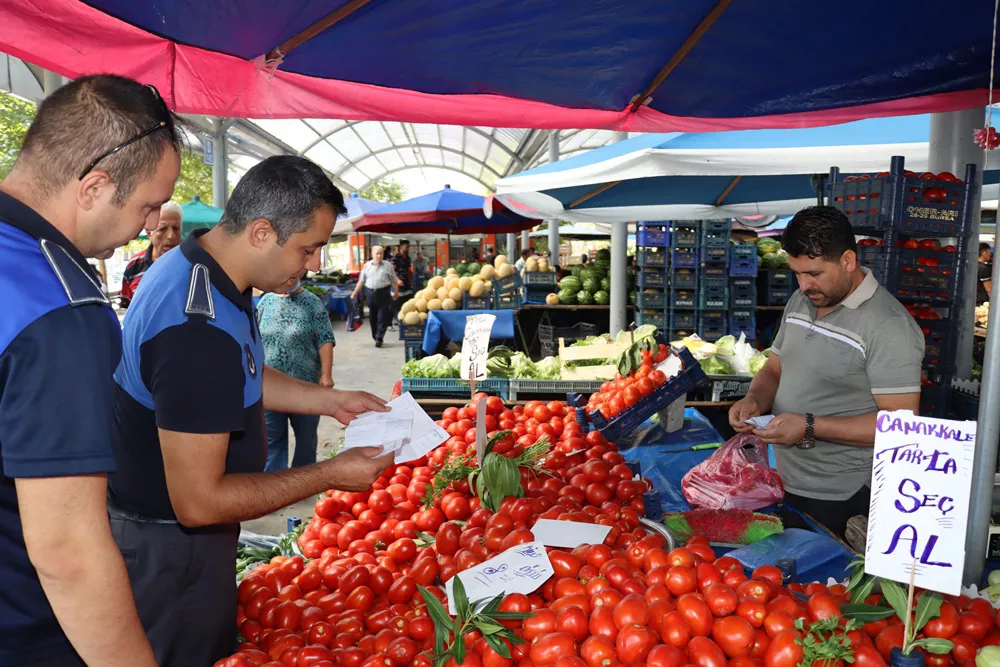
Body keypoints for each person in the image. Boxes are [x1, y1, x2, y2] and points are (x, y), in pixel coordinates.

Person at [110, 155, 393, 667]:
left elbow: (244, 373)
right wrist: (330, 473)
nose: (312, 266)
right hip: (168, 549)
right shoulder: (195, 328)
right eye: (307, 249)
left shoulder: (212, 274)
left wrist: (329, 400)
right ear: (262, 232)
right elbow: (199, 501)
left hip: (187, 542)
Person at [0, 74, 180, 667]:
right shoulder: (62, 307)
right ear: (94, 186)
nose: (152, 226)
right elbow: (67, 549)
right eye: (148, 206)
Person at [728, 206, 924, 540]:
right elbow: (774, 368)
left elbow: (900, 423)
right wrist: (754, 400)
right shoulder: (801, 300)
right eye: (797, 273)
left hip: (841, 496)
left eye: (814, 273)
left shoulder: (890, 327)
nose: (804, 285)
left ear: (848, 260)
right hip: (781, 477)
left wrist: (809, 427)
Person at [257, 278, 337, 471]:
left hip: (305, 384)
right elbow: (254, 336)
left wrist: (326, 375)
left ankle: (303, 479)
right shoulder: (265, 301)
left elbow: (325, 339)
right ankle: (275, 484)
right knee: (272, 438)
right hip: (271, 387)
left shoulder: (312, 302)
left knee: (306, 437)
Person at [120, 200, 182, 307]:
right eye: (162, 229)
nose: (171, 236)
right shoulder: (134, 265)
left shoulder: (192, 263)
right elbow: (128, 305)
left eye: (176, 228)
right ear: (149, 234)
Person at [351, 245, 399, 347]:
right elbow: (361, 280)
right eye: (377, 253)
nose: (379, 256)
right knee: (373, 317)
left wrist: (396, 292)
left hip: (384, 293)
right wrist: (355, 292)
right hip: (370, 293)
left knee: (382, 316)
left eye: (381, 253)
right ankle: (375, 335)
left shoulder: (388, 265)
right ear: (372, 254)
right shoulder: (367, 266)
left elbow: (394, 280)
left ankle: (379, 337)